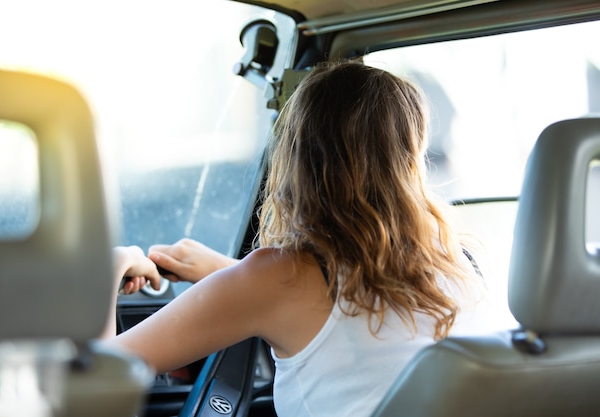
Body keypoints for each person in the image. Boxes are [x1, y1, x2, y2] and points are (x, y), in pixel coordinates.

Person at [105, 60, 483, 417]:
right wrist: (226, 271)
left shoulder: (275, 279)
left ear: (297, 156)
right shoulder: (457, 262)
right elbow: (342, 307)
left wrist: (112, 268)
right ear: (409, 156)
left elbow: (94, 376)